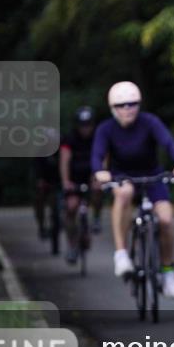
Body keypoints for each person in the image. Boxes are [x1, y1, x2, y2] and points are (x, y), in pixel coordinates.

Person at [92, 81, 174, 298]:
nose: (127, 109)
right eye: (121, 105)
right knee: (124, 193)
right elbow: (97, 155)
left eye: (132, 104)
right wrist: (99, 172)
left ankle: (168, 272)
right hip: (124, 178)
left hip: (153, 177)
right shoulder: (106, 129)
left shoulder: (149, 122)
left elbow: (169, 144)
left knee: (166, 219)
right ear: (113, 108)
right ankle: (121, 254)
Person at [60, 106, 103, 263]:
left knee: (98, 190)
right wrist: (66, 181)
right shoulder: (69, 139)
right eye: (82, 125)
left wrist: (99, 175)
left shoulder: (98, 137)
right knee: (71, 208)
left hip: (92, 175)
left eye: (88, 125)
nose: (85, 129)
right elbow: (65, 160)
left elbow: (103, 156)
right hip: (74, 178)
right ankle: (72, 246)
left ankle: (96, 218)